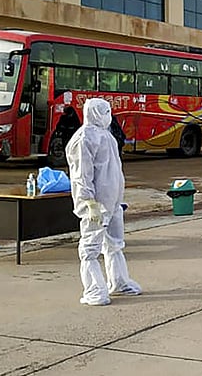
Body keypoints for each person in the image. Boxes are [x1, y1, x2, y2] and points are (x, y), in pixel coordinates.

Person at [66, 98, 141, 306]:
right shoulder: (83, 139)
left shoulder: (105, 135)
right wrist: (88, 201)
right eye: (104, 111)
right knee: (90, 248)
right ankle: (95, 290)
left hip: (112, 202)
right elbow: (82, 175)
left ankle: (119, 281)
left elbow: (113, 171)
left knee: (114, 244)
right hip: (96, 204)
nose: (108, 115)